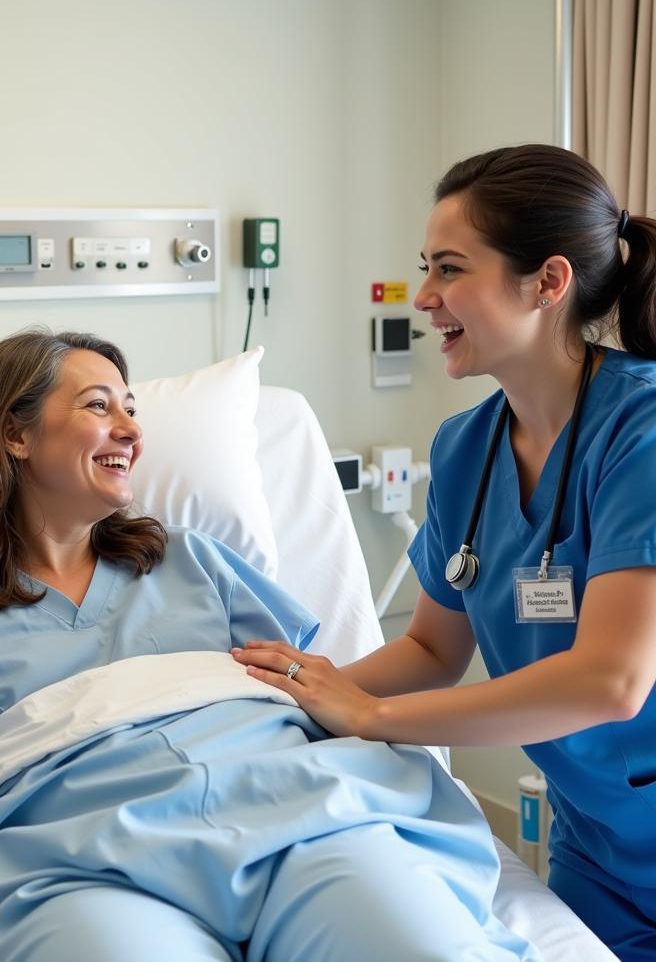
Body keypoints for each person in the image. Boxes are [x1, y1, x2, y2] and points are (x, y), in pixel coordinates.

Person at [0, 328, 537, 962]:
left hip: (301, 818)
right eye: (99, 405)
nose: (130, 429)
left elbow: (312, 694)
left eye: (132, 408)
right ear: (16, 434)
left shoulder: (193, 559)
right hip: (77, 862)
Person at [235, 144, 656, 960]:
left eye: (451, 270)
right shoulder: (467, 448)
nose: (424, 297)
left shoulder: (640, 433)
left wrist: (374, 717)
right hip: (597, 841)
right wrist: (300, 692)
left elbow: (614, 680)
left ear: (548, 282)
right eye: (425, 269)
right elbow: (434, 646)